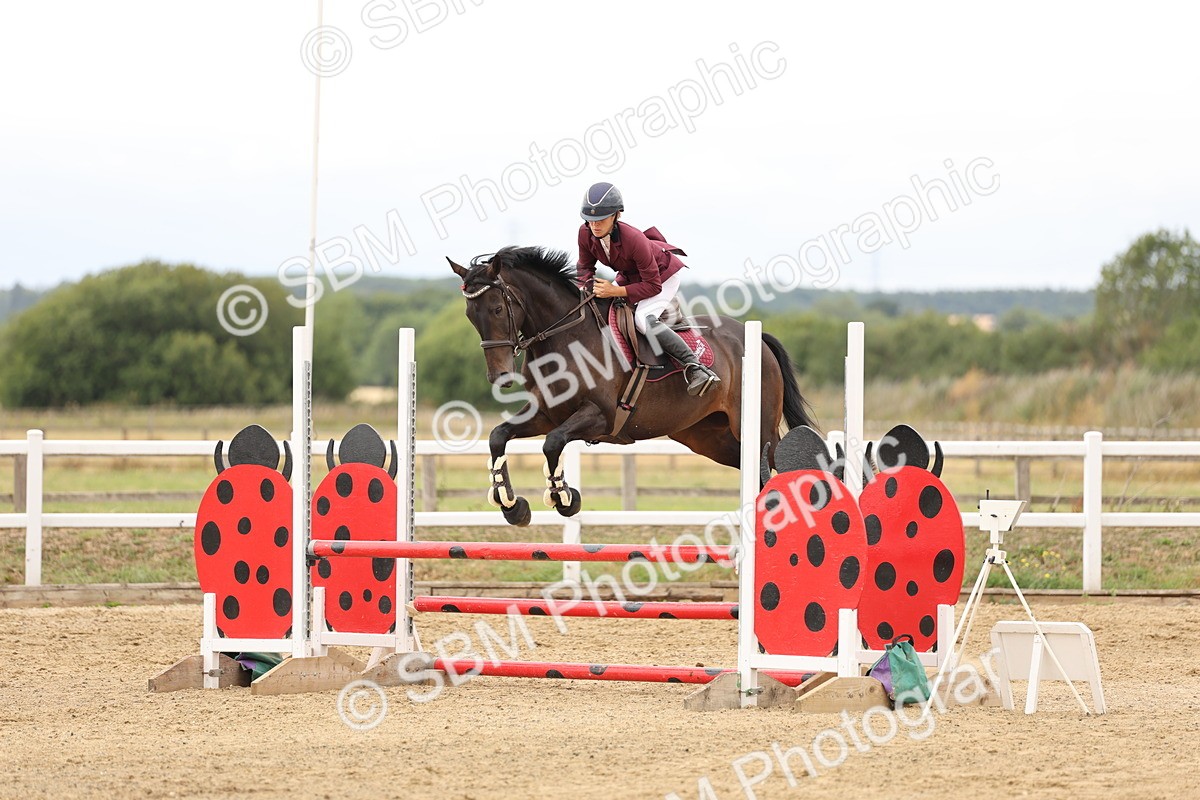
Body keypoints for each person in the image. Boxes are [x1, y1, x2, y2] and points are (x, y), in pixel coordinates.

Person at [575, 181, 721, 397]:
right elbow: (584, 268)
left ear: (617, 216)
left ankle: (695, 367)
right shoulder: (585, 233)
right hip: (630, 276)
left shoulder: (634, 239)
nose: (594, 225)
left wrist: (615, 292)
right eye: (590, 220)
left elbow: (652, 285)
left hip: (662, 277)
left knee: (642, 319)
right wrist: (584, 291)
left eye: (601, 219)